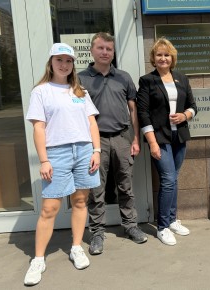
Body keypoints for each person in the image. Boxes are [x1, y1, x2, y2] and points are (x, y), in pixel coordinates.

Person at [24, 43, 101, 286]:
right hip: (56, 154)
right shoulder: (41, 91)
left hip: (84, 150)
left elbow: (91, 124)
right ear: (51, 62)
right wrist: (44, 159)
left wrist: (96, 150)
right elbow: (38, 127)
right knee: (50, 209)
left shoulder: (79, 91)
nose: (64, 64)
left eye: (68, 60)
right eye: (59, 60)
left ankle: (76, 247)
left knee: (79, 201)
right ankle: (38, 259)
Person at [77, 32, 147, 255]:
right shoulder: (80, 79)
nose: (105, 52)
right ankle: (97, 233)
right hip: (94, 144)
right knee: (96, 190)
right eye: (100, 48)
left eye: (109, 49)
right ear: (92, 50)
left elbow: (133, 110)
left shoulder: (124, 77)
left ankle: (130, 226)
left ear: (113, 52)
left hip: (122, 138)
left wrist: (135, 138)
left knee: (125, 186)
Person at [137, 37, 197, 246]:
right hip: (160, 137)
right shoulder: (147, 81)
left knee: (173, 178)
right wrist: (152, 143)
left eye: (167, 54)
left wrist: (185, 116)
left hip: (178, 136)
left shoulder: (182, 78)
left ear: (172, 58)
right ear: (153, 58)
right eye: (159, 55)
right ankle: (162, 226)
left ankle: (172, 220)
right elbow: (143, 113)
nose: (163, 58)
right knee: (168, 179)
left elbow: (192, 106)